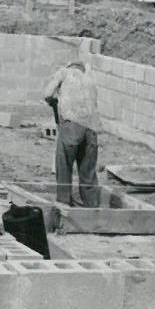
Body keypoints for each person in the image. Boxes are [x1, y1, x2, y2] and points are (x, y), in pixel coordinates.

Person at [42, 61, 101, 207]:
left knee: (64, 167)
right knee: (88, 173)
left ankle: (64, 205)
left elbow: (47, 93)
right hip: (92, 130)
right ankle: (92, 209)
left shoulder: (65, 73)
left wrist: (53, 101)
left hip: (71, 126)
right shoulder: (90, 80)